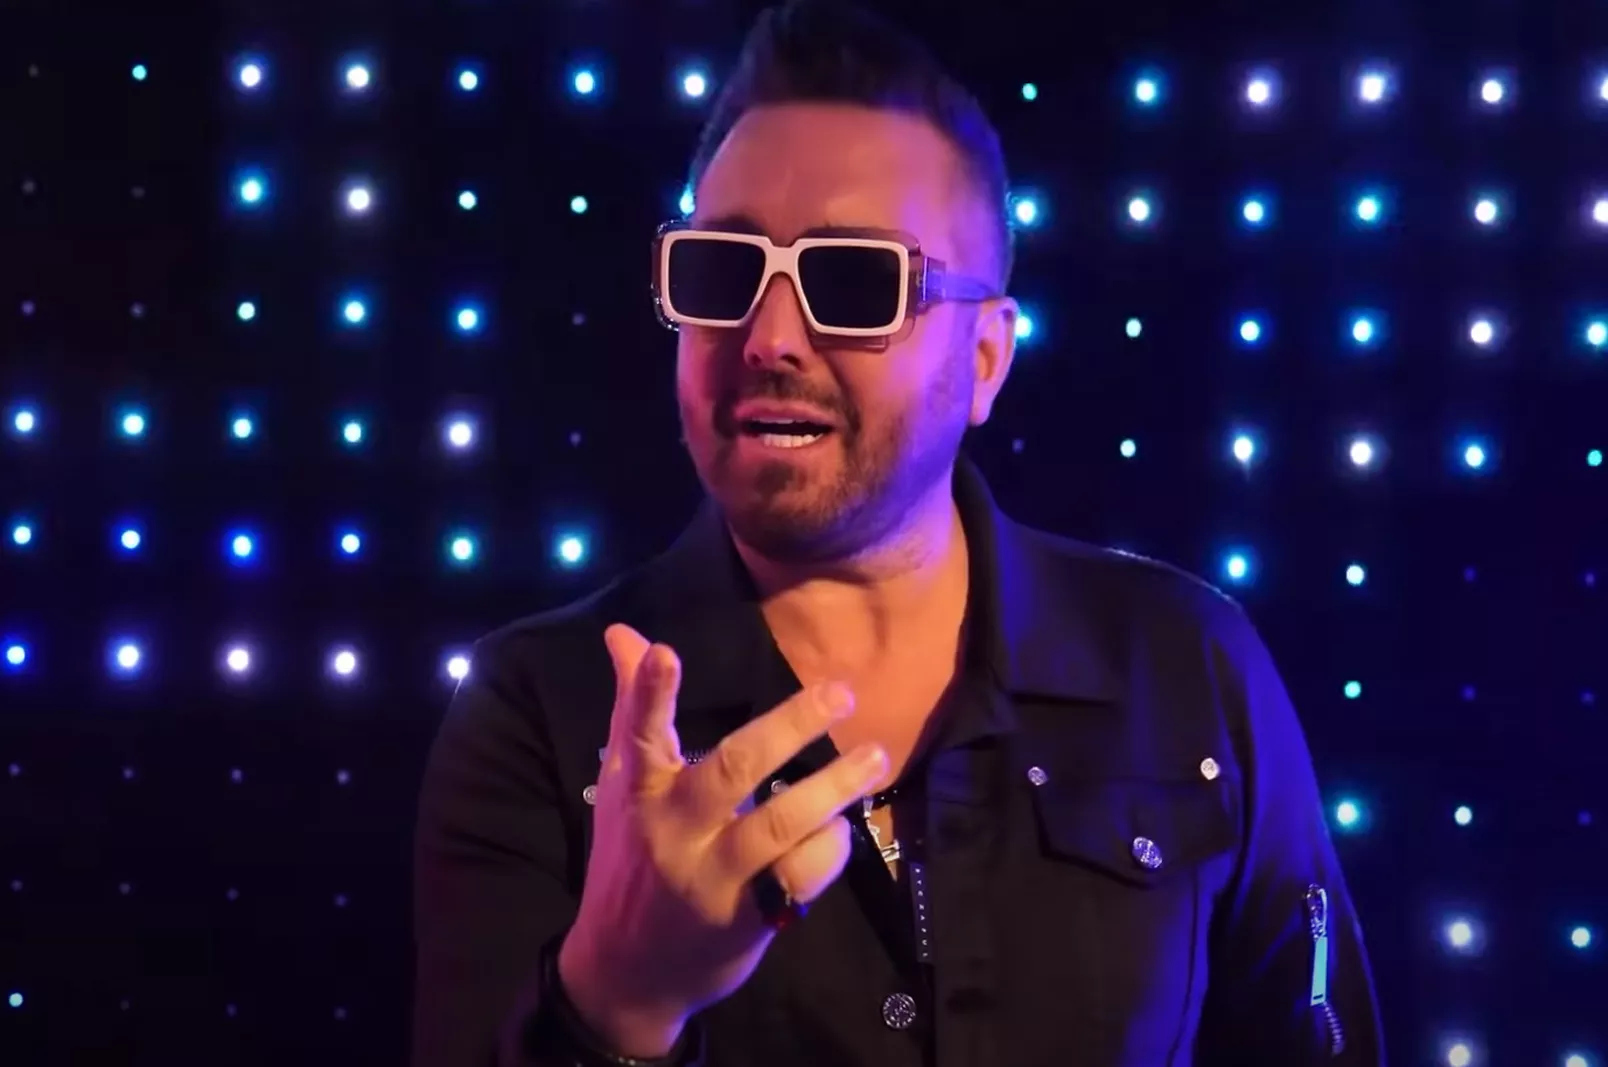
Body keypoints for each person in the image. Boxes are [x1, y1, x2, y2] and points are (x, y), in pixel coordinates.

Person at [410, 1, 1387, 1064]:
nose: (768, 337)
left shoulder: (1186, 667)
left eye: (854, 282)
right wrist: (620, 1002)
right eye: (722, 271)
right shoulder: (544, 710)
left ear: (986, 358)